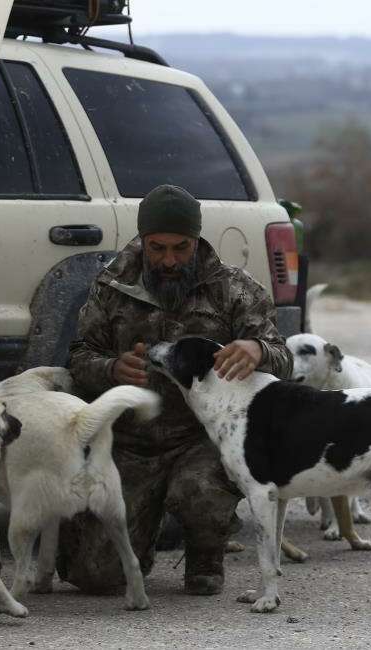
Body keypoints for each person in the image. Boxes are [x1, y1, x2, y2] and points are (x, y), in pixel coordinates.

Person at [58, 184, 293, 595]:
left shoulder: (234, 289)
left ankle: (206, 551)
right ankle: (138, 543)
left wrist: (258, 350)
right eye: (157, 248)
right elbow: (79, 356)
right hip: (130, 443)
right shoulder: (111, 286)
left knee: (199, 490)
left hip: (204, 441)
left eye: (180, 248)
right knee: (96, 577)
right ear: (143, 241)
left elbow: (283, 358)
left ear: (196, 240)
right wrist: (111, 369)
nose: (169, 260)